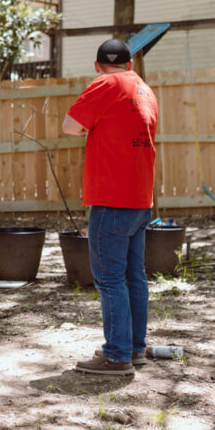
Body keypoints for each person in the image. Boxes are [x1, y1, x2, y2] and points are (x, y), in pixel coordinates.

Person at [62, 38, 158, 375]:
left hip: (110, 199)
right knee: (135, 276)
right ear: (130, 64)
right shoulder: (144, 89)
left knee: (109, 279)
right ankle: (135, 348)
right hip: (140, 198)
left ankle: (116, 355)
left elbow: (70, 126)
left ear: (97, 66)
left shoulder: (104, 83)